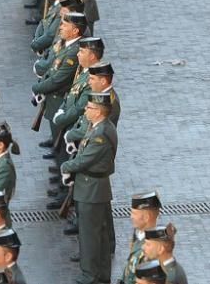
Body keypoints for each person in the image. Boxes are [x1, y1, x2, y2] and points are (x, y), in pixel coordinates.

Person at [60, 92, 118, 284]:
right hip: (92, 188)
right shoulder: (97, 127)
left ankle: (90, 275)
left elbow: (86, 159)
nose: (86, 109)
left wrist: (66, 166)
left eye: (90, 107)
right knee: (98, 234)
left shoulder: (100, 134)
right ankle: (100, 274)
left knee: (89, 235)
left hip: (91, 190)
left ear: (99, 111)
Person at [121, 192, 162, 284]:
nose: (131, 217)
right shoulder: (138, 233)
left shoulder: (152, 248)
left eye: (134, 213)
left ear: (146, 217)